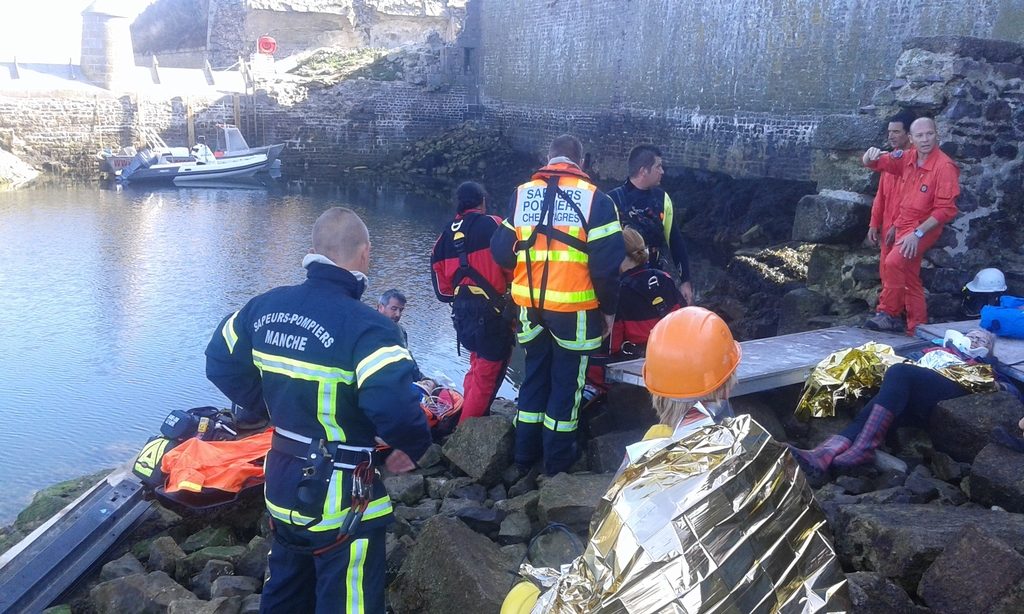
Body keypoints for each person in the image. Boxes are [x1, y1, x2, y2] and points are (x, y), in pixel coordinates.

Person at [205, 207, 432, 613]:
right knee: (349, 600)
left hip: (282, 483)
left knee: (286, 589)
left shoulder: (263, 307)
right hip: (344, 498)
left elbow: (218, 360)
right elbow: (396, 409)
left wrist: (270, 405)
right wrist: (411, 445)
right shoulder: (373, 328)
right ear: (365, 254)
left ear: (314, 251)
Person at [490, 134, 625, 475]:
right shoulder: (597, 200)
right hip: (574, 309)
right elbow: (607, 267)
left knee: (534, 375)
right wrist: (608, 311)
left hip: (530, 308)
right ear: (581, 162)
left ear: (548, 158)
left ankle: (524, 455)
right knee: (567, 385)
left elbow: (500, 250)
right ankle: (557, 463)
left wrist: (529, 267)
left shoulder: (522, 194)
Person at [789, 328, 1020, 482]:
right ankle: (823, 454)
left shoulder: (986, 364)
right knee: (881, 398)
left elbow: (1012, 391)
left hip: (952, 391)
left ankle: (865, 447)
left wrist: (994, 384)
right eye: (972, 335)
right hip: (920, 392)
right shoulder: (934, 348)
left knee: (900, 373)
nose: (976, 339)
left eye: (983, 340)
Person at [862, 117, 960, 335]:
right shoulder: (907, 157)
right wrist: (868, 157)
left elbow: (946, 210)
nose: (925, 139)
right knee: (908, 275)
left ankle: (889, 313)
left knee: (894, 262)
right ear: (911, 139)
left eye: (929, 134)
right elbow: (880, 163)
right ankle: (917, 326)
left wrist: (917, 234)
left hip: (924, 227)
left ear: (937, 134)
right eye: (920, 135)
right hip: (903, 224)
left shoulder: (944, 167)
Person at [430, 181, 514, 423]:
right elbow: (513, 266)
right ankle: (466, 433)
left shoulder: (443, 236)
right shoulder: (494, 225)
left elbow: (442, 292)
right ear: (482, 202)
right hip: (492, 315)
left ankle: (464, 416)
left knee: (476, 364)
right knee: (488, 373)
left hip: (462, 316)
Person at [608, 144, 693, 305]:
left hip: (655, 277)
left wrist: (685, 281)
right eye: (658, 166)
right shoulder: (611, 200)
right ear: (643, 171)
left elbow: (675, 241)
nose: (662, 171)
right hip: (623, 283)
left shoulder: (662, 199)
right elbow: (602, 249)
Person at [611, 227, 685, 355]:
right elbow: (683, 317)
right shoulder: (665, 278)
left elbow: (613, 344)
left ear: (619, 255)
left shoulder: (619, 291)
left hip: (638, 359)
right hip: (674, 353)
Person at [865, 110, 915, 283]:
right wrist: (873, 224)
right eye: (889, 132)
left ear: (909, 134)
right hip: (887, 224)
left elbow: (915, 202)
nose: (891, 136)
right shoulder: (889, 159)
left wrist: (897, 225)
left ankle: (897, 309)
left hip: (906, 227)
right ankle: (889, 309)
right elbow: (881, 195)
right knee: (886, 270)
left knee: (903, 274)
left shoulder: (916, 161)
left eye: (896, 132)